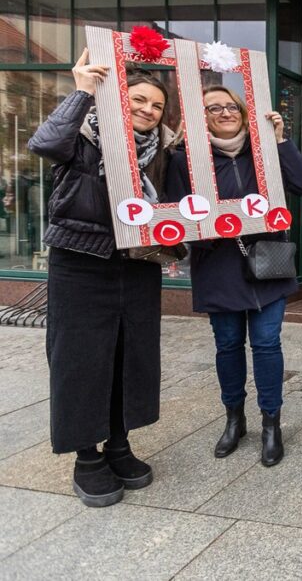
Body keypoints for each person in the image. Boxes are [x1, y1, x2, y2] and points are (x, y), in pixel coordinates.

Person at [28, 49, 175, 507]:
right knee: (80, 360)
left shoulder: (164, 152)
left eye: (155, 104)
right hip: (80, 260)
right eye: (138, 99)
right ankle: (86, 457)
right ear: (117, 98)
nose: (147, 110)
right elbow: (45, 143)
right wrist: (82, 92)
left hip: (137, 264)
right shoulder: (84, 135)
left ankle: (119, 443)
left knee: (129, 357)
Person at [165, 85, 302, 467]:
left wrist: (281, 141)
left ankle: (271, 423)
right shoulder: (185, 159)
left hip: (267, 264)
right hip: (218, 267)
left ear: (243, 113)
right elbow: (177, 213)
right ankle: (234, 418)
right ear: (201, 118)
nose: (225, 112)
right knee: (228, 345)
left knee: (267, 344)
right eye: (213, 108)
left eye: (231, 106)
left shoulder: (264, 153)